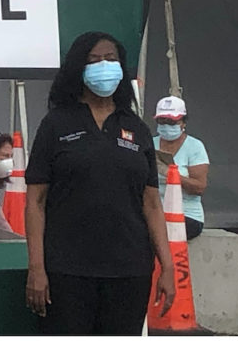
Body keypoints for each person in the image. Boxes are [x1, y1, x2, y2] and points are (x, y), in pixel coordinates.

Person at [24, 30, 174, 335]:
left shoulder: (136, 128)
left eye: (110, 59)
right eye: (93, 60)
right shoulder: (55, 124)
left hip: (129, 270)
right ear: (78, 68)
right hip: (67, 270)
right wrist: (36, 268)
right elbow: (35, 202)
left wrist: (168, 267)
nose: (103, 66)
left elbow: (151, 204)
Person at [152, 95, 209, 240]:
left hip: (187, 214)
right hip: (154, 210)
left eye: (171, 122)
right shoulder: (150, 143)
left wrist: (171, 175)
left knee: (157, 230)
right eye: (161, 121)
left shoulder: (195, 147)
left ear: (183, 122)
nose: (166, 126)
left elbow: (199, 187)